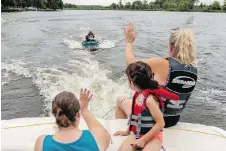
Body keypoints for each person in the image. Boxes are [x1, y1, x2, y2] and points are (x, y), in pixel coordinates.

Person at [115, 23, 198, 128]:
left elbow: (131, 64)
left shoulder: (162, 63)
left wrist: (129, 41)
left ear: (171, 48)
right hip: (173, 120)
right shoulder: (193, 70)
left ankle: (128, 132)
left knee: (120, 100)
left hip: (152, 120)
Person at [114, 62, 179, 151]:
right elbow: (135, 116)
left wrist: (143, 140)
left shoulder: (149, 100)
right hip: (138, 133)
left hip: (154, 136)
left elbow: (161, 123)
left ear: (132, 83)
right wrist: (128, 131)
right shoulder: (137, 95)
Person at [34, 89, 110, 151]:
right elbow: (103, 132)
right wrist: (84, 109)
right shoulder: (97, 138)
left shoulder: (41, 143)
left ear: (56, 116)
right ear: (78, 114)